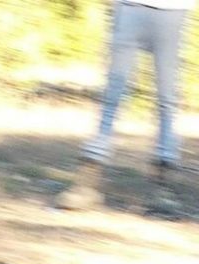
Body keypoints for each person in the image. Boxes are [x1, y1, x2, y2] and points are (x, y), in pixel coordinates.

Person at [81, 0, 195, 169]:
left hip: (171, 9)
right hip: (130, 6)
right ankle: (101, 140)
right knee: (116, 81)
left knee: (167, 85)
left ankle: (166, 148)